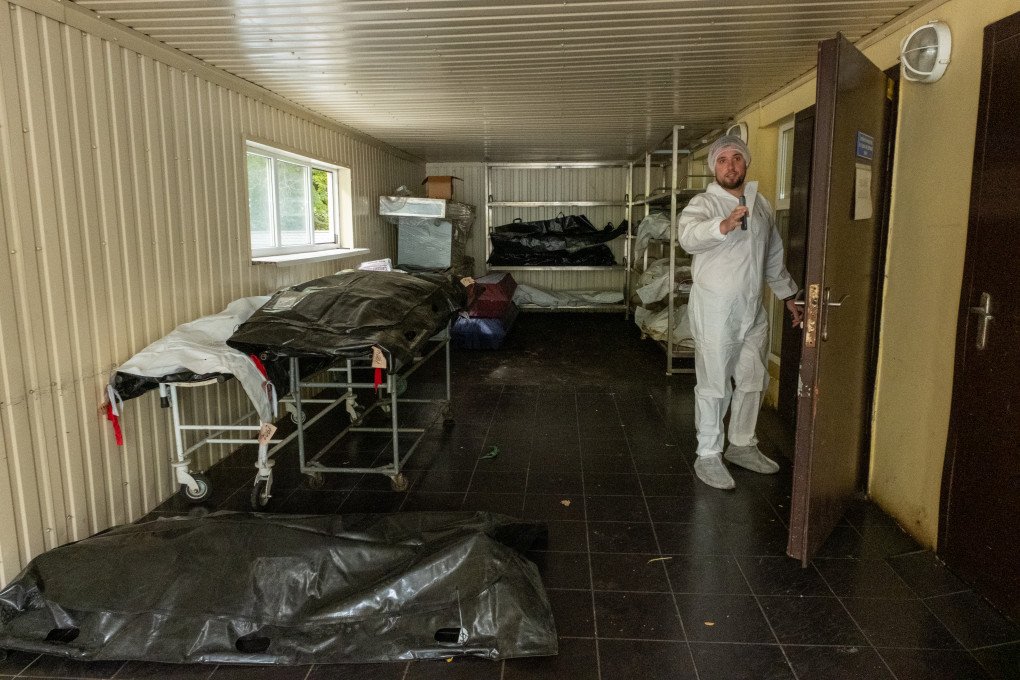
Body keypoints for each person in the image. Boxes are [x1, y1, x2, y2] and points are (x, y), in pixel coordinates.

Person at [678, 135, 803, 490]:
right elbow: (687, 237)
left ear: (745, 163)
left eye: (736, 159)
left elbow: (772, 255)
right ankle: (708, 453)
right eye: (722, 161)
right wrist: (723, 225)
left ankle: (743, 445)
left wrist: (788, 294)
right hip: (717, 308)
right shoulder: (704, 203)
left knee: (753, 378)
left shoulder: (759, 203)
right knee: (715, 383)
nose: (730, 166)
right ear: (713, 168)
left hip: (752, 307)